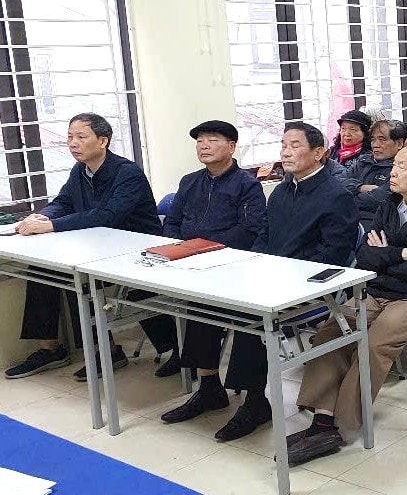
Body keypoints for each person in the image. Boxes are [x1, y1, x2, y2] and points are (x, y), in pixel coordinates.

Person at [163, 122, 358, 441]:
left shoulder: (337, 195)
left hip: (308, 285)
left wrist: (281, 273)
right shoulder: (281, 191)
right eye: (283, 145)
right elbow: (263, 236)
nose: (285, 152)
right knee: (205, 299)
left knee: (251, 314)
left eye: (295, 145)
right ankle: (209, 386)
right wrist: (255, 266)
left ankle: (256, 402)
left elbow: (333, 254)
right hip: (271, 276)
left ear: (319, 153)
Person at [287, 143, 407, 465]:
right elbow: (365, 257)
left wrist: (385, 256)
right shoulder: (389, 204)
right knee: (331, 331)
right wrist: (402, 253)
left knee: (375, 342)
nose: (392, 172)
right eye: (394, 165)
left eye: (402, 166)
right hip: (378, 289)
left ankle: (340, 425)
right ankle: (321, 419)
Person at [4, 113, 162, 381]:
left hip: (134, 250)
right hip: (98, 246)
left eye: (81, 137)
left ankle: (107, 350)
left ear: (103, 141)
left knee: (78, 277)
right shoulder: (80, 170)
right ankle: (50, 349)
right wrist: (42, 216)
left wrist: (51, 226)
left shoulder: (127, 173)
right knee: (42, 270)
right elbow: (63, 202)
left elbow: (107, 215)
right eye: (69, 137)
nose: (73, 143)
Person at [145, 121, 267, 378]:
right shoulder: (190, 182)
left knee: (208, 305)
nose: (204, 145)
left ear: (231, 147)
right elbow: (172, 222)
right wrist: (178, 247)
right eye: (200, 141)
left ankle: (218, 382)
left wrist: (204, 249)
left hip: (230, 264)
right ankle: (192, 366)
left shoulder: (247, 184)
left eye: (212, 140)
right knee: (141, 291)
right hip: (186, 260)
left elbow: (248, 231)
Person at [344, 119, 406, 226]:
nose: (375, 145)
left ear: (399, 143)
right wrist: (359, 187)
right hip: (346, 218)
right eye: (373, 139)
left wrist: (343, 198)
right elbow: (337, 184)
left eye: (382, 139)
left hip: (376, 224)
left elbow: (380, 199)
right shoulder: (363, 161)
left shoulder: (403, 168)